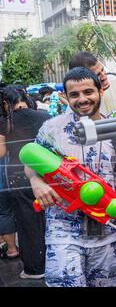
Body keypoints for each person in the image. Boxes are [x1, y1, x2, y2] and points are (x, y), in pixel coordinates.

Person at [24, 67, 116, 287]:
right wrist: (36, 182)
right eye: (74, 94)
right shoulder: (53, 128)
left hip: (106, 232)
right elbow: (30, 162)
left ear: (100, 91)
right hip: (63, 232)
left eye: (88, 92)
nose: (82, 99)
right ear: (66, 97)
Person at [0, 85, 50, 278]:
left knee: (27, 224)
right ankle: (51, 261)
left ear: (6, 103)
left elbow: (2, 151)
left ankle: (34, 268)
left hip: (18, 179)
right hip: (46, 175)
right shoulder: (44, 116)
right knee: (48, 221)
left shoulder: (5, 122)